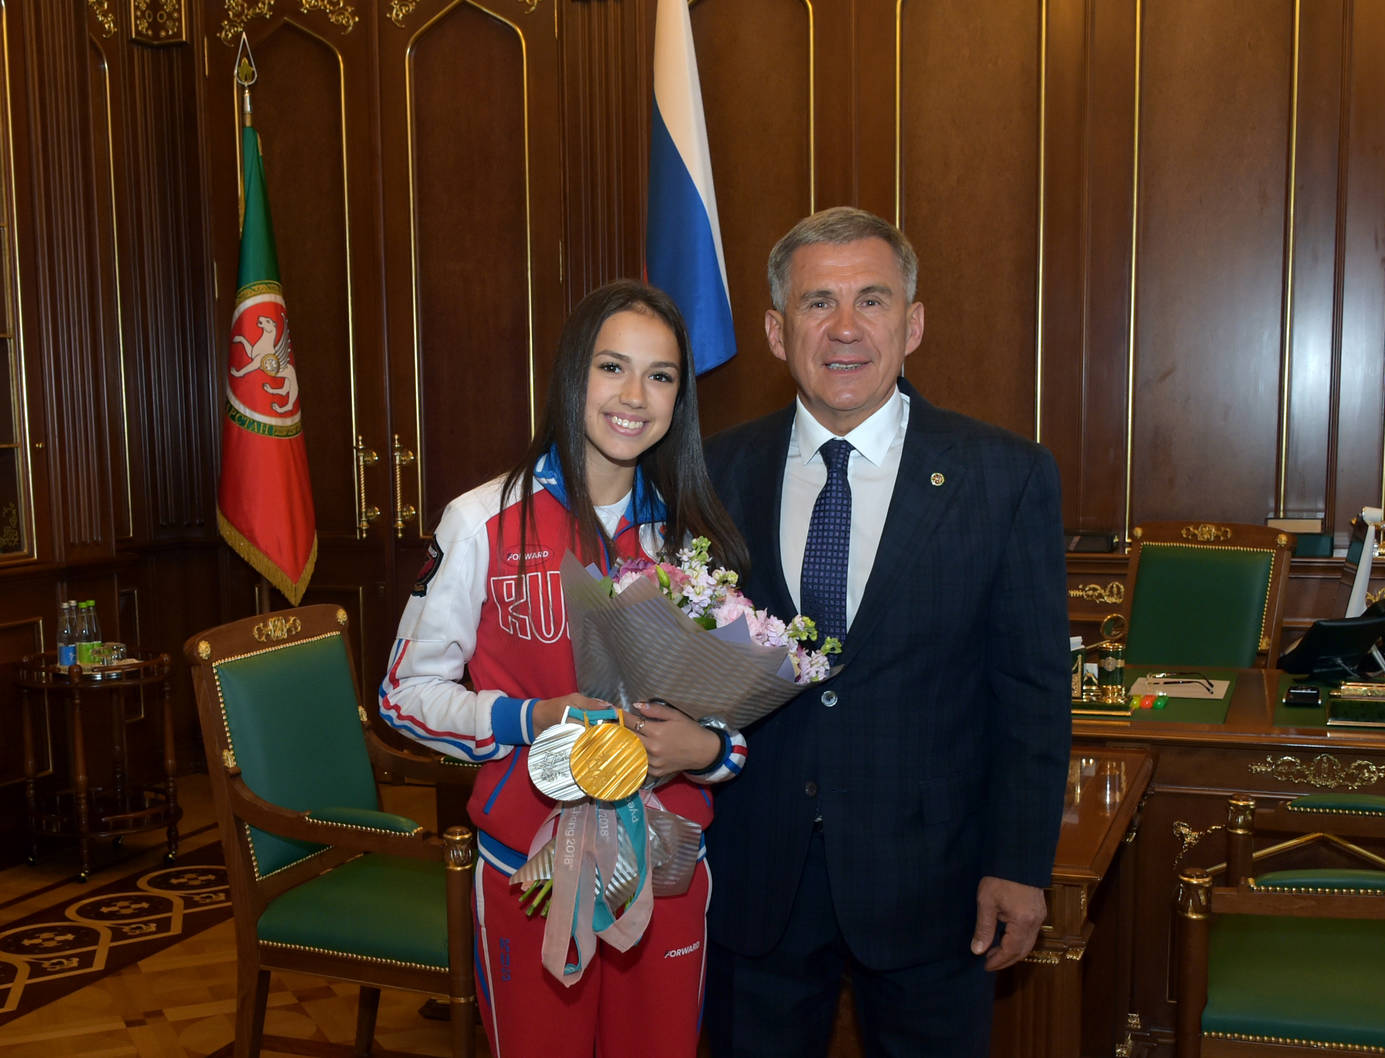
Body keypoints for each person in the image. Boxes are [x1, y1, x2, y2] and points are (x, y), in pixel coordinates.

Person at [701, 207, 1072, 1057]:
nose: (845, 327)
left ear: (913, 324)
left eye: (871, 300)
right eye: (817, 302)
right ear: (775, 331)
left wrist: (1020, 863)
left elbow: (1032, 692)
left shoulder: (1005, 475)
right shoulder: (712, 472)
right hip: (754, 873)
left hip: (934, 884)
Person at [379, 280, 750, 1058]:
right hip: (531, 871)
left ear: (680, 398)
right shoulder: (480, 521)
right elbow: (405, 697)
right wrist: (530, 717)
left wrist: (710, 749)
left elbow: (733, 714)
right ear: (572, 373)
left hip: (668, 870)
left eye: (660, 375)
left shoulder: (692, 536)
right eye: (612, 367)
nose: (634, 396)